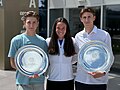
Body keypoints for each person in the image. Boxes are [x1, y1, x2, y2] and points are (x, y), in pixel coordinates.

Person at [75, 7, 114, 90]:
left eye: (89, 17)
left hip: (98, 81)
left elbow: (110, 57)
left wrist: (103, 72)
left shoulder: (104, 35)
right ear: (81, 19)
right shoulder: (78, 36)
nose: (87, 20)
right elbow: (77, 56)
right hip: (81, 79)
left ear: (94, 18)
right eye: (84, 17)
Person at [8, 11, 48, 90]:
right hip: (22, 82)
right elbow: (12, 62)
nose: (31, 25)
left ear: (37, 23)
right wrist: (26, 72)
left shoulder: (42, 41)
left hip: (38, 81)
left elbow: (44, 61)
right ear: (24, 23)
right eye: (29, 22)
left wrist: (39, 72)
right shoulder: (16, 40)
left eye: (34, 22)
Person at [46, 17, 77, 90]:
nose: (61, 30)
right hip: (52, 79)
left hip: (68, 79)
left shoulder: (73, 41)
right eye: (58, 28)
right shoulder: (48, 41)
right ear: (54, 29)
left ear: (67, 29)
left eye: (63, 28)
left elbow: (75, 58)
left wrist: (66, 63)